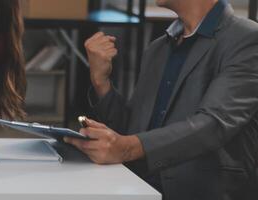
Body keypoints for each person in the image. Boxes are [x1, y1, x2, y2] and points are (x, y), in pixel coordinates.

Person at [63, 0, 258, 199]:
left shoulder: (247, 38)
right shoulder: (158, 48)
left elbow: (214, 124)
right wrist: (101, 82)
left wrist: (127, 148)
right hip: (140, 189)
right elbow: (132, 132)